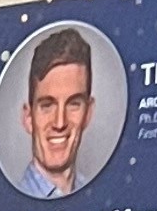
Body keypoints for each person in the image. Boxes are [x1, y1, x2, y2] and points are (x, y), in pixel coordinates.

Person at [15, 28, 97, 197]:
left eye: (73, 104)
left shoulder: (97, 197)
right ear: (28, 118)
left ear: (88, 112)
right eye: (47, 106)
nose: (60, 123)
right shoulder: (7, 204)